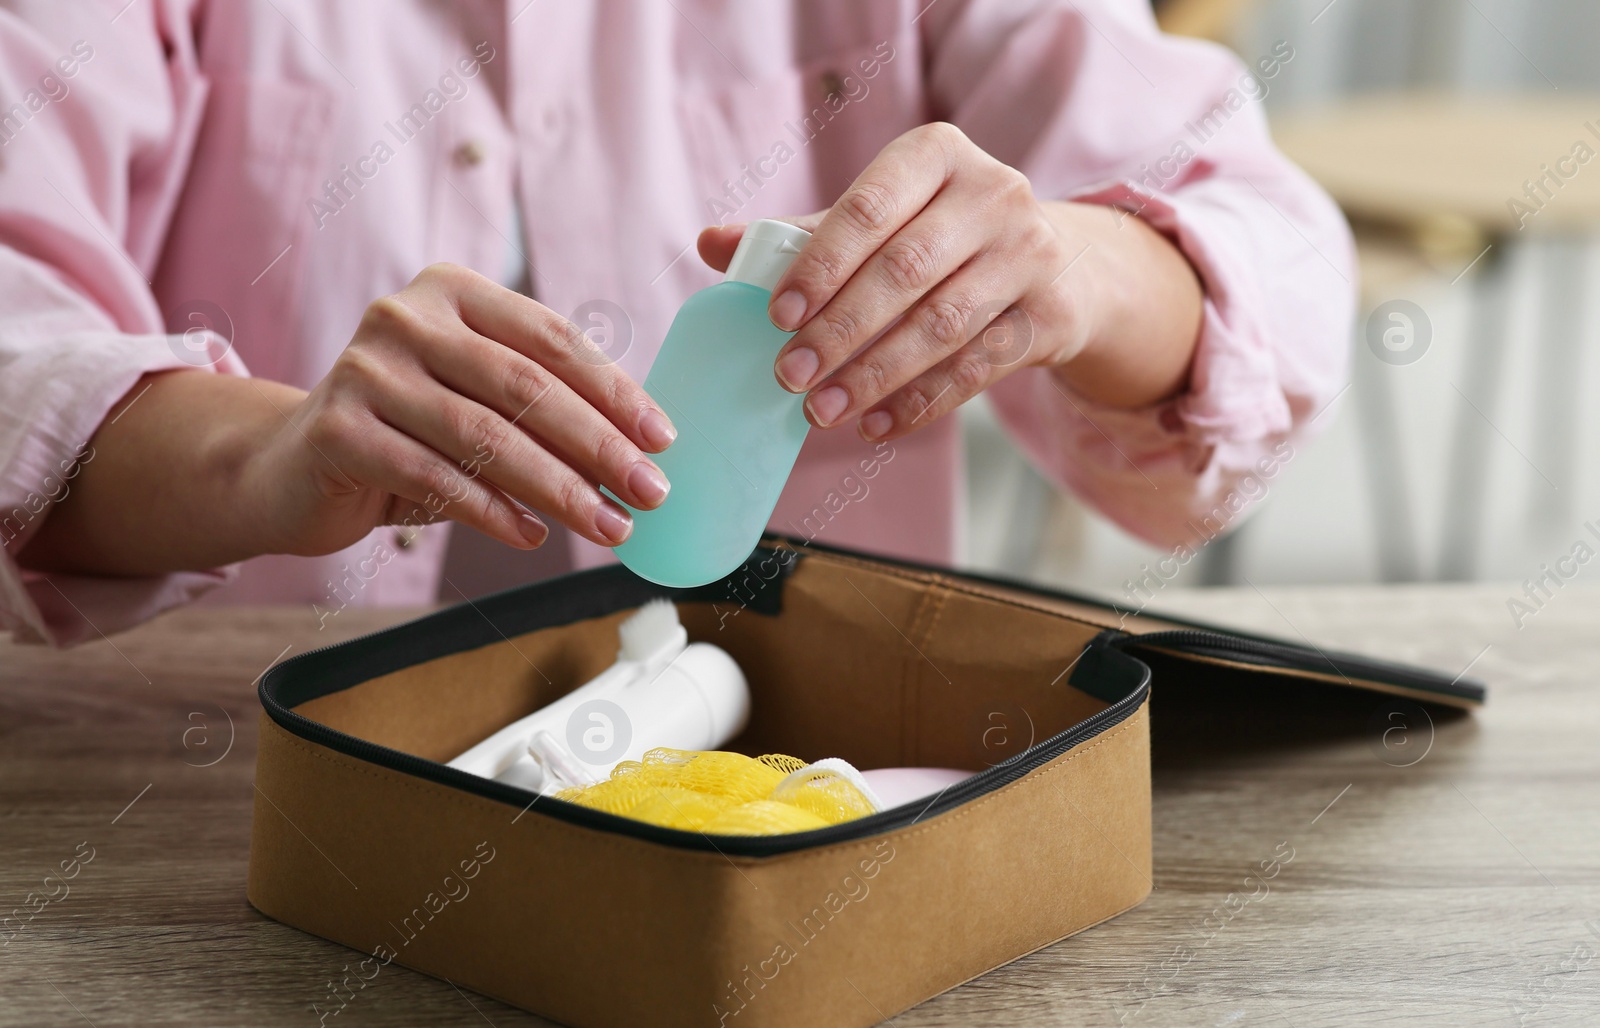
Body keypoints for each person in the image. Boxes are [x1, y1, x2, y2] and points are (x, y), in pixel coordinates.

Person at [0, 0, 1351, 646]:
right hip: (230, 804)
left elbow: (1268, 265)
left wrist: (1075, 267)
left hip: (793, 806)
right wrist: (266, 454)